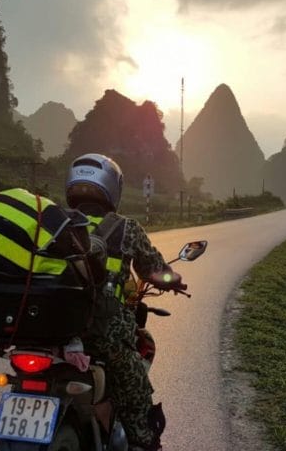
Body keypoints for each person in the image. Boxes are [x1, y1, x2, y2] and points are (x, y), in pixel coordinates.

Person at [65, 153, 185, 451]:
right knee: (137, 394)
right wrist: (174, 280)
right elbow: (155, 270)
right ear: (111, 188)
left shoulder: (54, 222)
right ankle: (142, 443)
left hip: (54, 331)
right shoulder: (126, 227)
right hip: (104, 338)